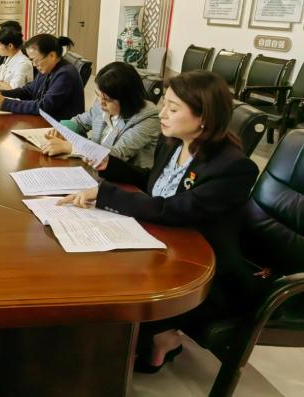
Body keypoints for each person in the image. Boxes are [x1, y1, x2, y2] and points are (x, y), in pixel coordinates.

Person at [58, 71, 260, 373]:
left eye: (173, 108)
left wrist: (105, 195)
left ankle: (133, 347)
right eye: (164, 104)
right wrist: (110, 166)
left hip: (203, 270)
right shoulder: (174, 143)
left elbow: (175, 208)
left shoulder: (234, 167)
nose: (162, 114)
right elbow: (154, 185)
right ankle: (151, 339)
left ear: (204, 116)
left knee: (107, 285)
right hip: (163, 244)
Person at [41, 62, 161, 170]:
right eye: (98, 95)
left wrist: (71, 147)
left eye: (107, 99)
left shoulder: (148, 118)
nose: (100, 102)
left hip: (125, 180)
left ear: (126, 100)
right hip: (93, 169)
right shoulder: (102, 102)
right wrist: (62, 130)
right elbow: (80, 122)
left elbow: (116, 154)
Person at [0, 34, 84, 120]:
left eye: (35, 60)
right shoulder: (47, 68)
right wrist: (1, 93)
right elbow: (28, 91)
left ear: (52, 56)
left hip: (58, 127)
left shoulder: (65, 73)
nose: (33, 64)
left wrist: (6, 103)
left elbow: (44, 107)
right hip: (44, 121)